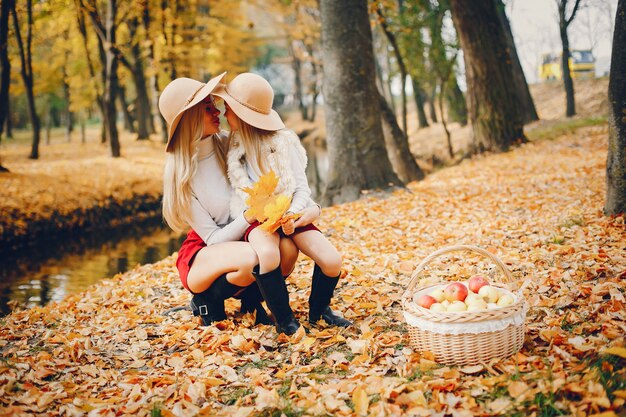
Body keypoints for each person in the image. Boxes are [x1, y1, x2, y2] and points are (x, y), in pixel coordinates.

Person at [158, 74, 321, 332]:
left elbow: (282, 185)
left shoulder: (232, 144)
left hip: (245, 234)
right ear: (189, 119)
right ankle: (206, 301)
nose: (218, 112)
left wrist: (311, 208)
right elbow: (211, 238)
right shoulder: (181, 174)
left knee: (287, 249)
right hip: (207, 250)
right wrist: (248, 216)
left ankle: (252, 302)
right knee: (254, 255)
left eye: (215, 105)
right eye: (208, 108)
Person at [212, 72, 352, 328]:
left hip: (291, 213)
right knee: (267, 253)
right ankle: (285, 320)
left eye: (227, 108)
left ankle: (320, 311)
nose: (223, 114)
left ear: (242, 113)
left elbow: (301, 189)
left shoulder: (284, 143)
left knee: (332, 261)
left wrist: (294, 217)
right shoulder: (232, 146)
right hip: (258, 218)